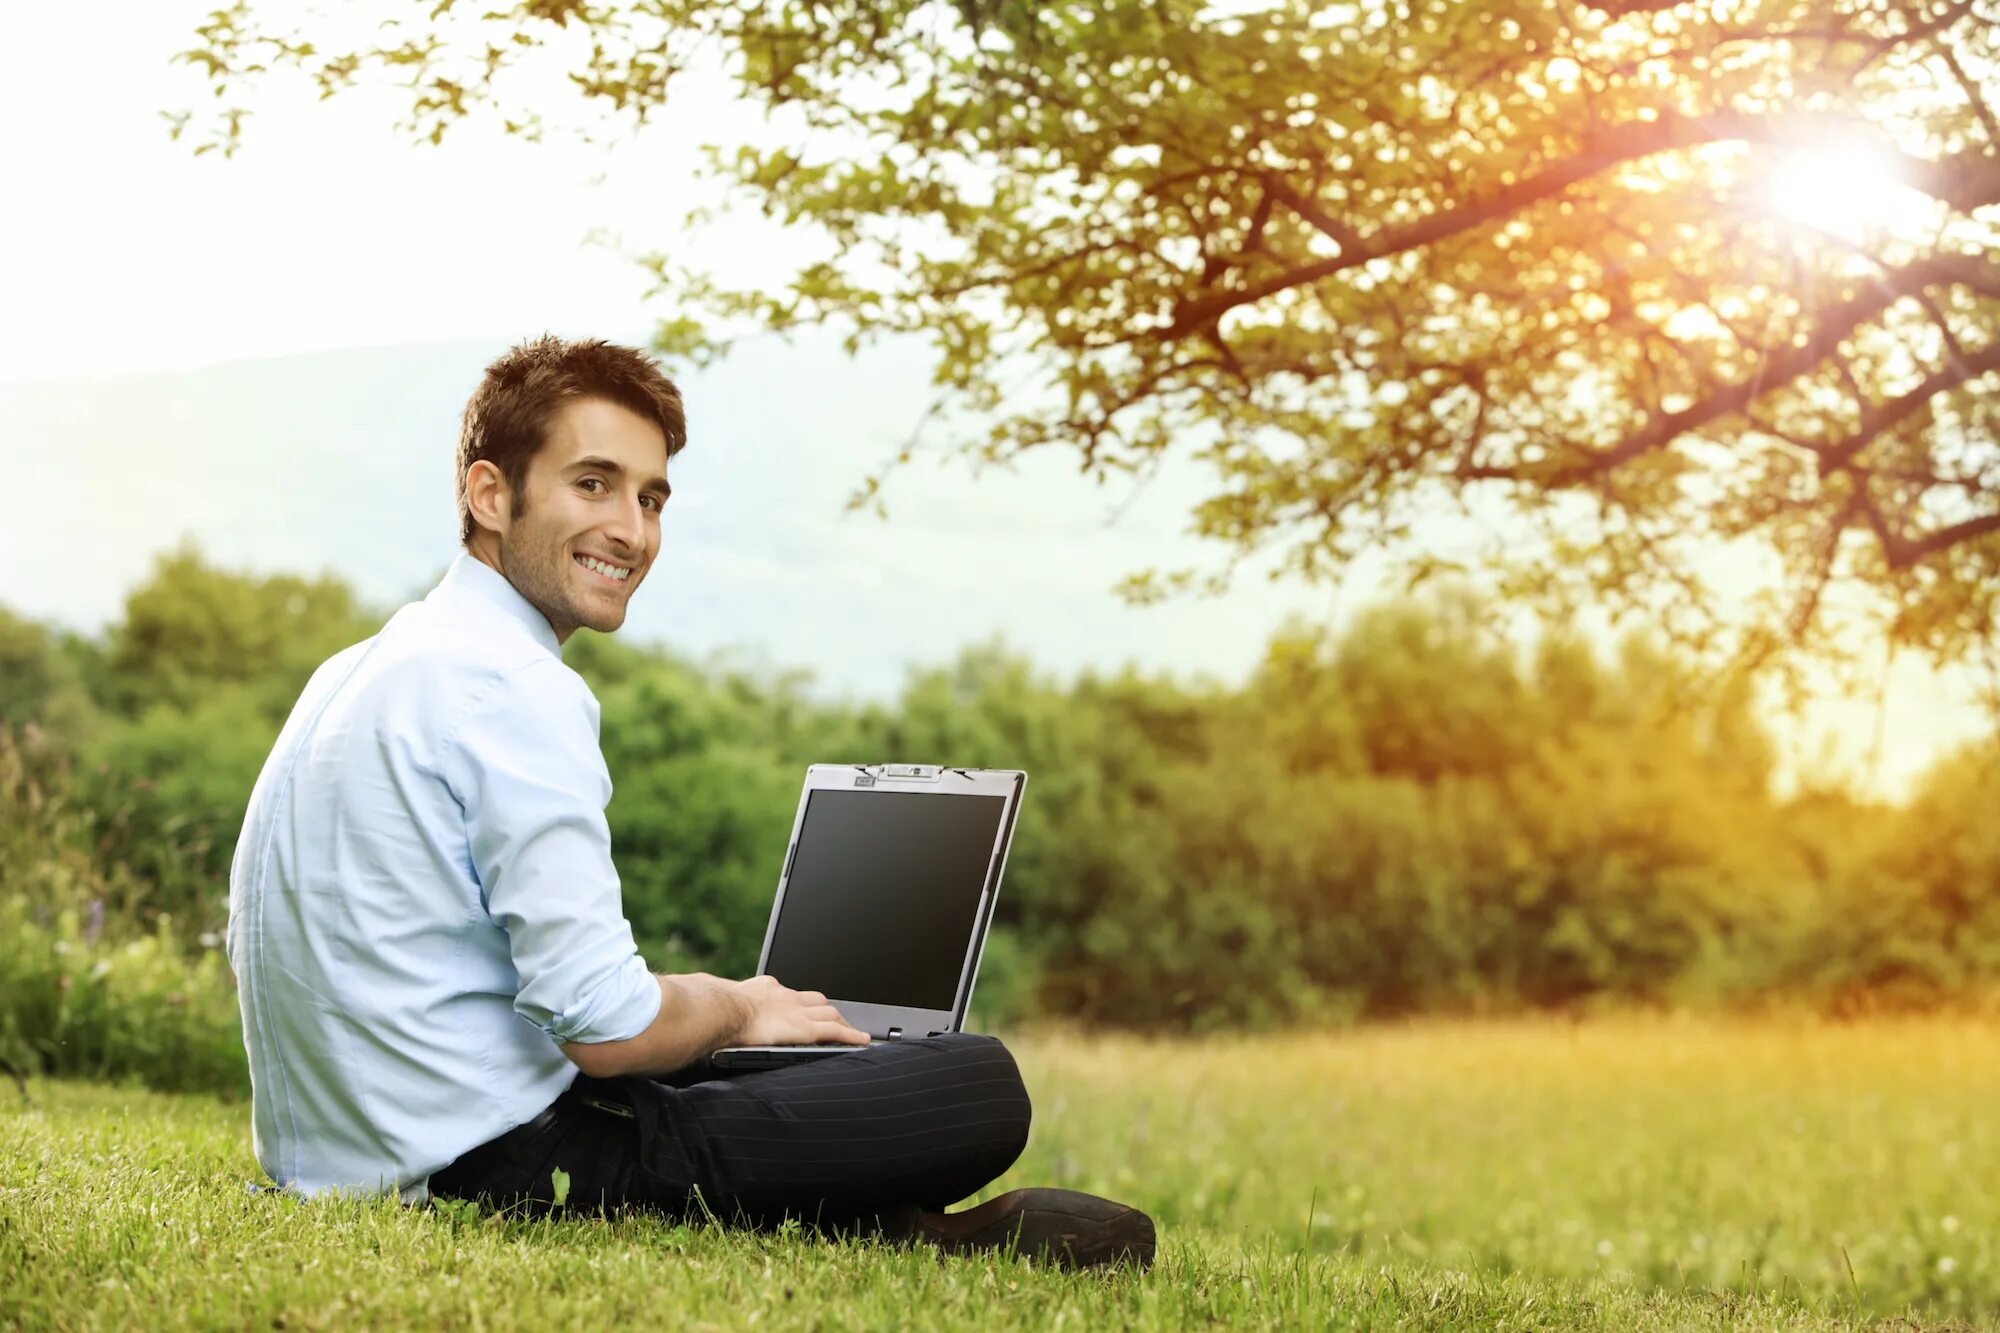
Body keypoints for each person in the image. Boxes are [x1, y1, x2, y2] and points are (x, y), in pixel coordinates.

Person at [225, 334, 1154, 1271]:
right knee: (974, 1084)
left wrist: (728, 1023)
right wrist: (736, 1006)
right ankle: (901, 1223)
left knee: (779, 1050)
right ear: (490, 495)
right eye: (593, 484)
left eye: (651, 496)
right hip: (494, 1166)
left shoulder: (357, 670)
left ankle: (879, 1217)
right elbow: (607, 1026)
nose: (631, 529)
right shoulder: (510, 683)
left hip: (335, 1157)